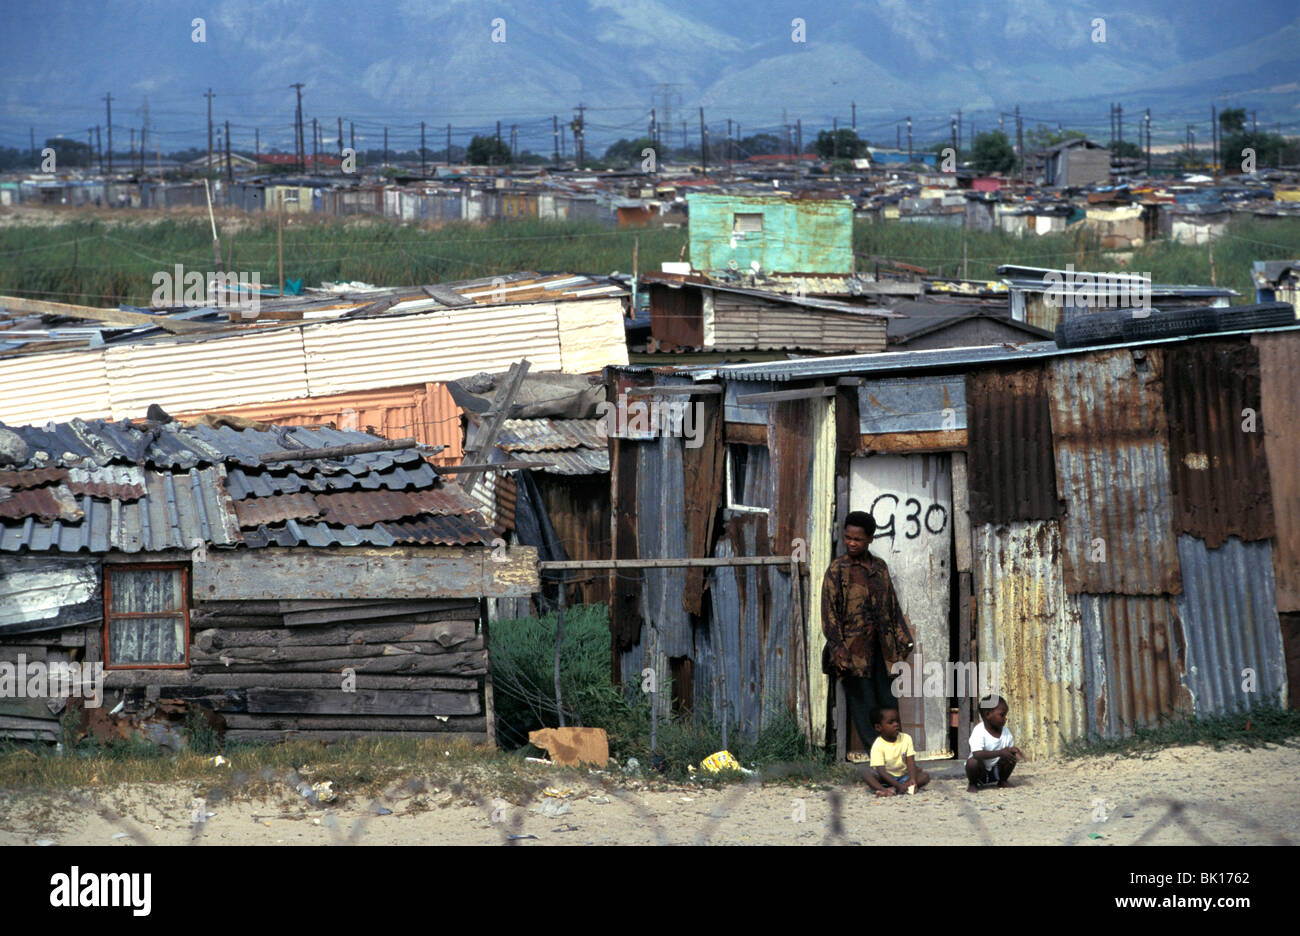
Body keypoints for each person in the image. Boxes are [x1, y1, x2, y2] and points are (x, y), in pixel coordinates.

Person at [822, 510, 914, 758]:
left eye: (858, 539)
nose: (851, 543)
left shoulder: (880, 568)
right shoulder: (837, 570)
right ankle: (878, 763)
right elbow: (829, 617)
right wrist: (839, 652)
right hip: (853, 656)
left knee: (887, 706)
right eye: (848, 538)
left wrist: (903, 643)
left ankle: (897, 758)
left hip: (882, 653)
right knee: (864, 710)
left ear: (870, 539)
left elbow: (892, 608)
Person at [866, 705, 930, 796]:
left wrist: (912, 779)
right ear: (878, 727)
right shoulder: (878, 745)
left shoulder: (906, 738)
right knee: (867, 774)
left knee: (924, 776)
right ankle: (884, 789)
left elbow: (910, 762)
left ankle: (893, 790)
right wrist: (898, 785)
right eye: (891, 722)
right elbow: (881, 771)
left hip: (903, 777)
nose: (896, 724)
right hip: (885, 778)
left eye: (897, 721)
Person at [965, 695, 1023, 791]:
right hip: (980, 772)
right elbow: (977, 753)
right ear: (988, 715)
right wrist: (1000, 752)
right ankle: (973, 784)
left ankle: (1003, 780)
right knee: (972, 762)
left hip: (996, 770)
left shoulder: (1005, 732)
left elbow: (1008, 750)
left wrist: (1014, 751)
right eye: (1002, 715)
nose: (1005, 718)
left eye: (1005, 715)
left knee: (1011, 756)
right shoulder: (979, 731)